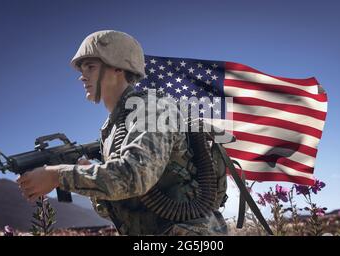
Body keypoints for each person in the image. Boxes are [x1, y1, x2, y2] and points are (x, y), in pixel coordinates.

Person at [17, 30, 227, 235]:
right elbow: (126, 209)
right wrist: (86, 174)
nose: (82, 77)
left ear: (118, 68)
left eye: (90, 67)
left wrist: (57, 176)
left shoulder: (152, 108)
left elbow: (136, 177)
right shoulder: (113, 128)